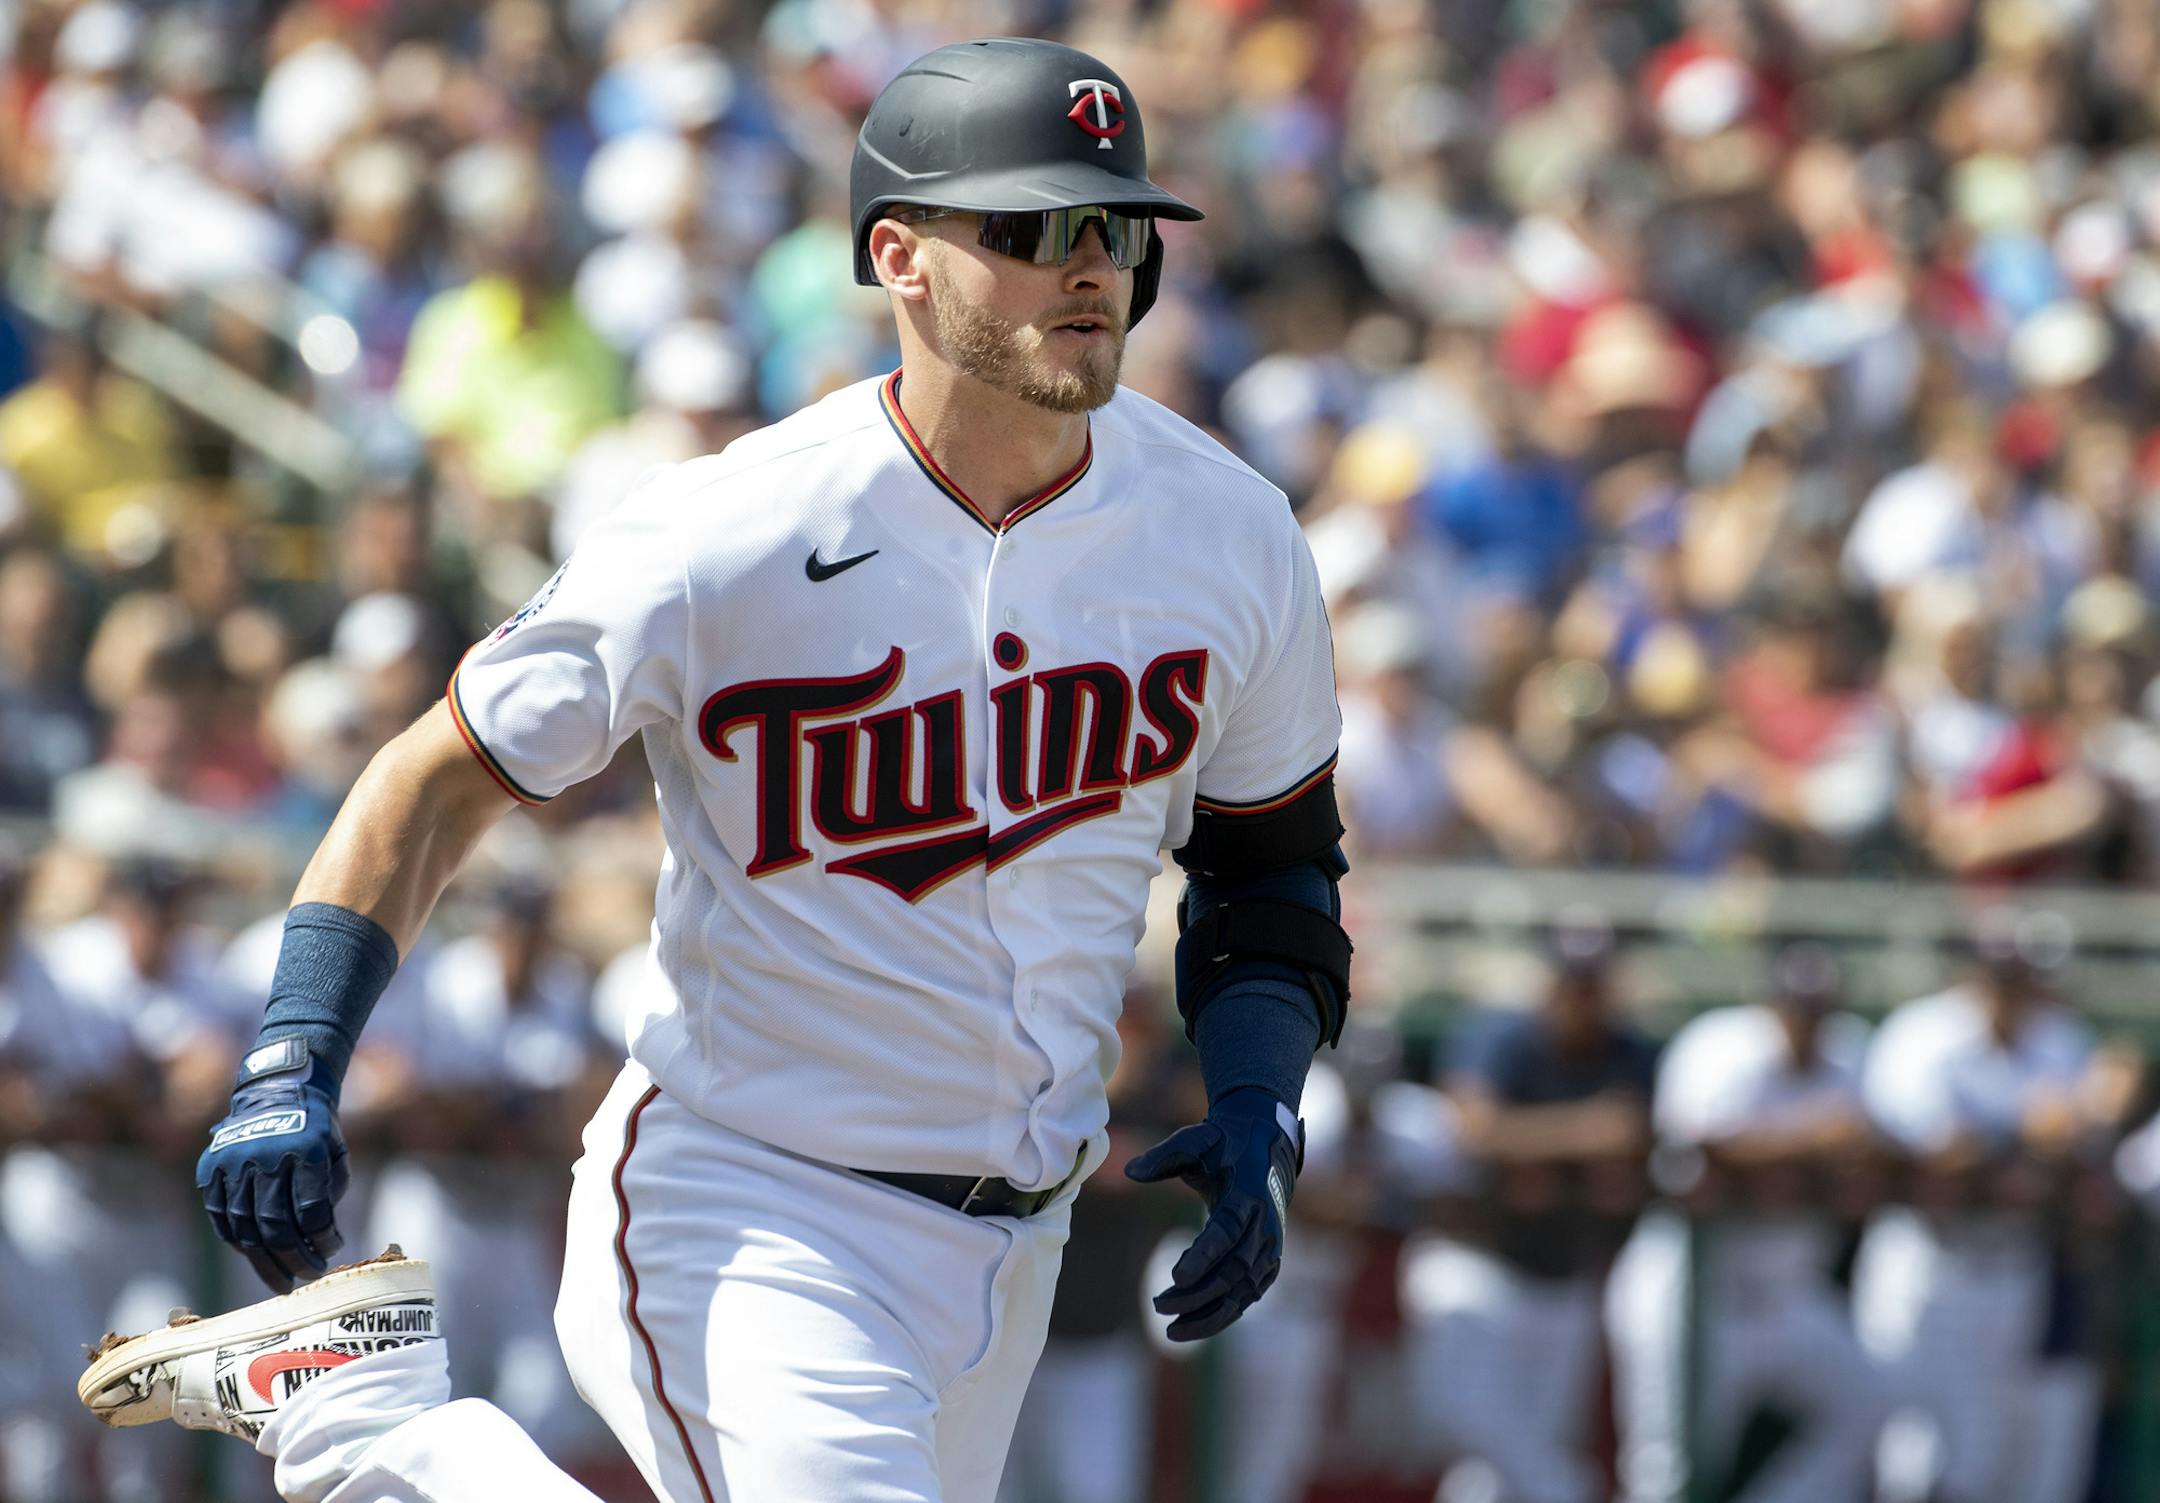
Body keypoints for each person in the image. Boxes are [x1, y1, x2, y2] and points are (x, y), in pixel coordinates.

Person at [80, 37, 1352, 1503]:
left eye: (1116, 229)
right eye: (1028, 228)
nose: (1088, 267)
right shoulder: (727, 529)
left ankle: (359, 1401)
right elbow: (438, 775)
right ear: (901, 258)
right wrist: (291, 1053)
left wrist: (1260, 1097)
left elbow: (1270, 863)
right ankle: (362, 1422)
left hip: (1022, 1235)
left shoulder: (1232, 530)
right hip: (752, 1198)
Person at [1853, 912, 2135, 1503]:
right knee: (1910, 1455)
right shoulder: (1924, 1035)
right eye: (2005, 976)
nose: (2018, 990)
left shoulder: (2058, 1037)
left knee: (1980, 1461)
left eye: (2027, 977)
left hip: (2013, 1267)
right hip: (1928, 1266)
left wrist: (2068, 1129)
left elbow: (2086, 1146)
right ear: (1978, 975)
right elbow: (1926, 1162)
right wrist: (2023, 1133)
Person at [1607, 941, 1885, 1503]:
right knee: (1667, 1475)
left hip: (1789, 1295)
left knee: (1870, 1405)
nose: (1807, 1022)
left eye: (1819, 1008)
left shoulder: (1849, 1053)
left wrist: (1814, 1155)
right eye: (1796, 1007)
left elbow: (1868, 1158)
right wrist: (1812, 1140)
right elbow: (1703, 1153)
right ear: (1770, 1004)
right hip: (1694, 1294)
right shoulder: (1721, 1047)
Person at [1404, 917, 1656, 1503]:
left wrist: (1537, 1142)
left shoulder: (1627, 1051)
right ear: (1549, 984)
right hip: (1471, 1268)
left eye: (1591, 984)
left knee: (1497, 1474)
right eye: (1571, 982)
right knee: (1481, 1428)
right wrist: (1585, 1133)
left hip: (1562, 1281)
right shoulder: (1501, 1036)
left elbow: (1633, 1137)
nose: (1580, 999)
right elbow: (1475, 1129)